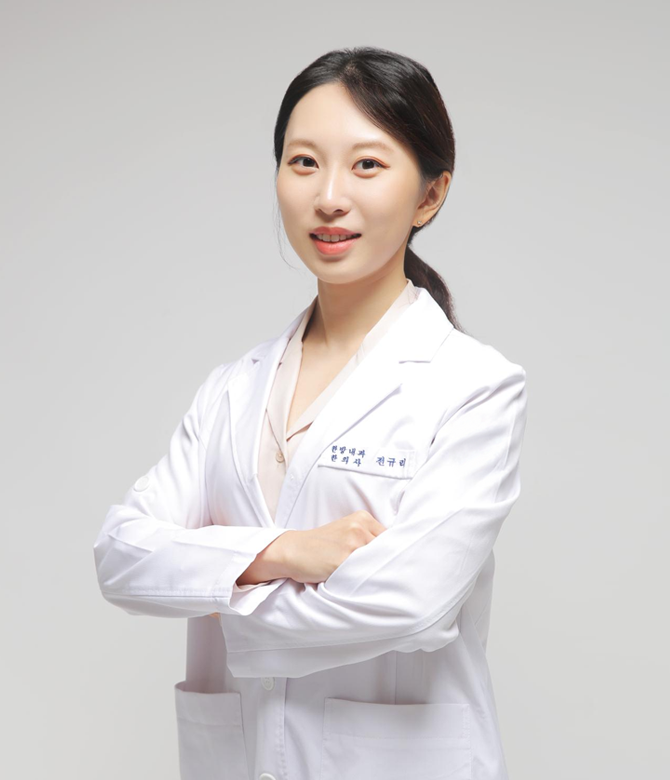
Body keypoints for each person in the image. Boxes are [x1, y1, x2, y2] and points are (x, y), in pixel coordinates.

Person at [93, 46, 528, 780]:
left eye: (367, 165)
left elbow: (412, 604)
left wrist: (215, 591)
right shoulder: (232, 390)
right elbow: (122, 555)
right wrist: (283, 553)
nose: (329, 197)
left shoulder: (473, 386)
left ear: (429, 195)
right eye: (303, 163)